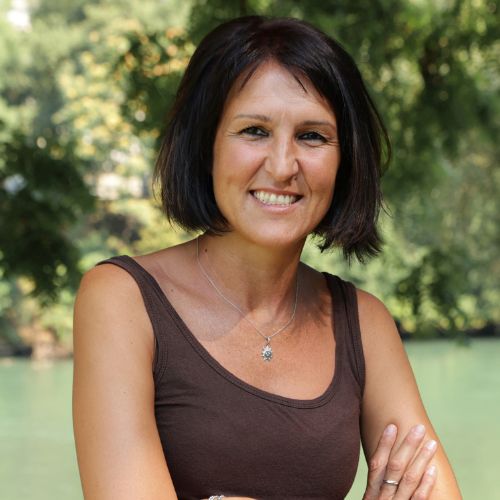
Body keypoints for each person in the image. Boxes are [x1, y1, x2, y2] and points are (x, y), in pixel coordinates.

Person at [72, 16, 461, 500]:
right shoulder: (120, 298)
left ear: (345, 161)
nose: (281, 166)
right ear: (206, 146)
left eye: (312, 136)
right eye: (254, 131)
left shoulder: (365, 323)